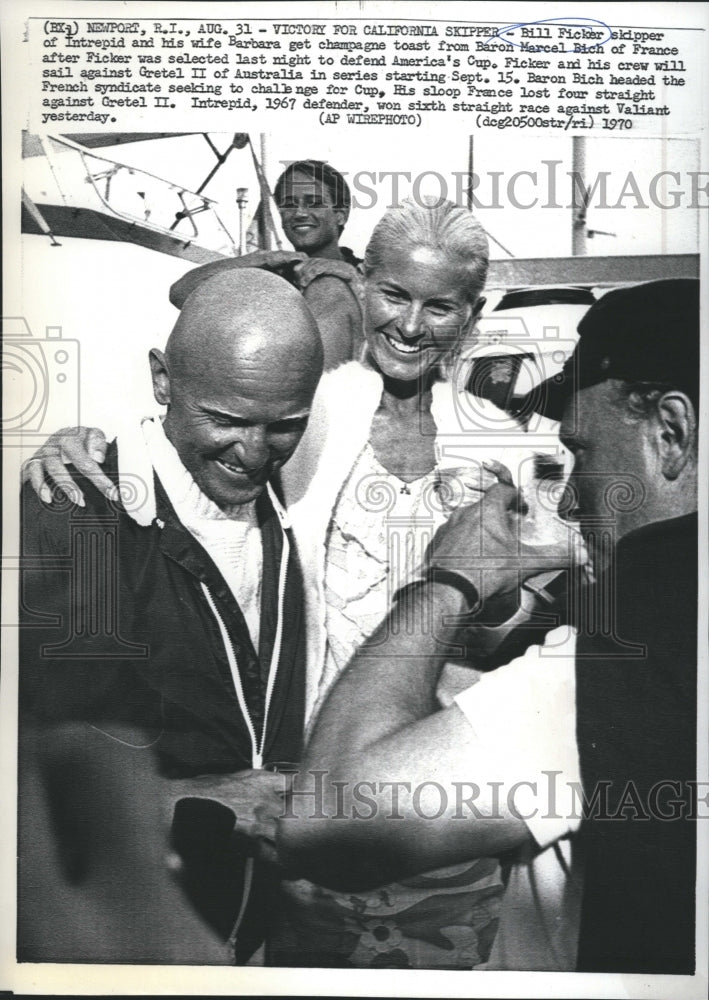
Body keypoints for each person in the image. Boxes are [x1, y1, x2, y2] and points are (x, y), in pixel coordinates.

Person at [24, 198, 569, 969]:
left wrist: (499, 600)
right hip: (297, 813)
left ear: (469, 317)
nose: (410, 326)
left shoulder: (506, 445)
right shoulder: (315, 410)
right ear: (361, 286)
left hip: (437, 811)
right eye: (392, 295)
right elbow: (199, 417)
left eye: (439, 305)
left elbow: (535, 610)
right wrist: (72, 445)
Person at [276, 278, 700, 973]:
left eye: (583, 453)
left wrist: (449, 580)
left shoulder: (627, 661)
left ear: (671, 433)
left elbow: (326, 819)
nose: (568, 496)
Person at [19, 268, 324, 964]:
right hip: (132, 944)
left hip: (265, 938)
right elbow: (44, 790)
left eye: (285, 426)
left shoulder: (296, 499)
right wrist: (207, 798)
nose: (254, 453)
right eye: (225, 420)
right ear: (162, 380)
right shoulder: (83, 515)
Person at [170, 159, 364, 370]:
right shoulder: (273, 276)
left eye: (314, 203)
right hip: (277, 390)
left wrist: (351, 277)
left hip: (353, 393)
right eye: (289, 204)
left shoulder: (370, 273)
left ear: (340, 215)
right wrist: (257, 260)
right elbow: (181, 293)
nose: (299, 213)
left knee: (328, 288)